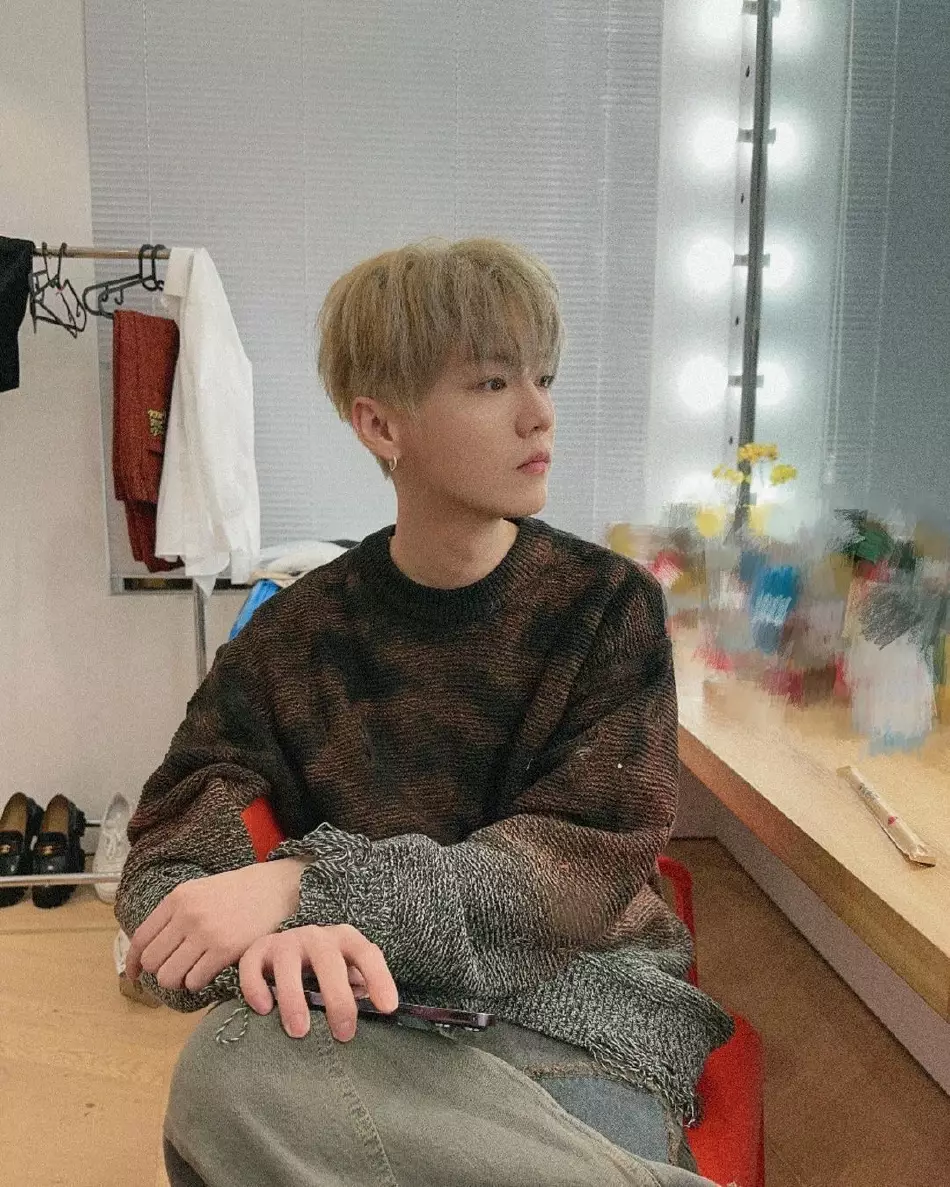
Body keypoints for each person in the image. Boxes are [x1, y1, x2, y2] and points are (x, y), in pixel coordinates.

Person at [116, 238, 732, 1187]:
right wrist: (278, 943)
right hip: (382, 1022)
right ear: (380, 424)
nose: (539, 413)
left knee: (247, 1105)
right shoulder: (294, 641)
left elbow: (563, 879)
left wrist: (306, 888)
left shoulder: (607, 607)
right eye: (492, 382)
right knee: (223, 1070)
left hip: (582, 1019)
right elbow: (168, 874)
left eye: (542, 378)